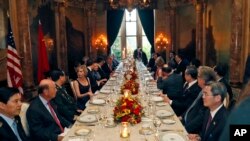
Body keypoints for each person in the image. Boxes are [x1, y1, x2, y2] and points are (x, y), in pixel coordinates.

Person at [181, 66, 216, 133]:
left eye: (198, 76)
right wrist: (182, 117)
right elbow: (192, 106)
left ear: (203, 79)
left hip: (191, 130)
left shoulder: (209, 95)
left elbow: (201, 118)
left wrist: (184, 129)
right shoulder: (201, 89)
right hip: (185, 123)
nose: (197, 79)